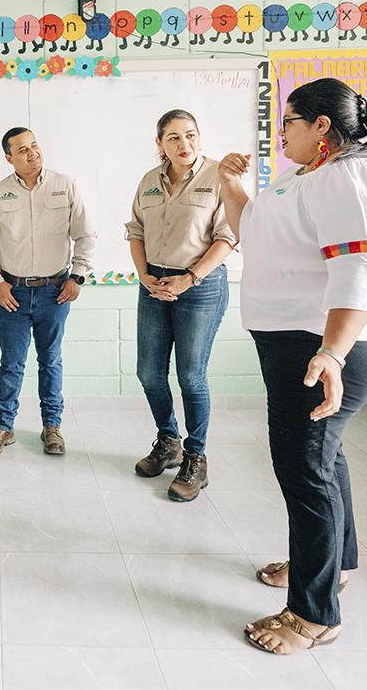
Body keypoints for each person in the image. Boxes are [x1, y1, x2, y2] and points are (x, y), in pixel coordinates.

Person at [216, 78, 367, 656]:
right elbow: (256, 235)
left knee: (305, 468)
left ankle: (313, 614)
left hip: (324, 344)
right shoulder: (307, 175)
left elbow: (361, 272)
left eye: (289, 123)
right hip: (301, 341)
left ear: (322, 126)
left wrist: (332, 352)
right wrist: (230, 187)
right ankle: (331, 565)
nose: (281, 134)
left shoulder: (355, 178)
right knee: (322, 458)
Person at [127, 110, 236, 502]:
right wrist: (144, 276)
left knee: (190, 375)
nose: (184, 144)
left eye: (190, 135)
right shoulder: (148, 181)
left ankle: (196, 457)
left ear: (199, 137)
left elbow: (227, 238)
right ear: (160, 144)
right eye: (173, 138)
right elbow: (136, 232)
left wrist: (189, 278)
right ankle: (168, 441)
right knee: (148, 373)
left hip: (200, 286)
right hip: (154, 284)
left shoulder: (218, 177)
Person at [0, 127, 96, 456]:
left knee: (50, 360)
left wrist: (78, 276)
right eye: (22, 150)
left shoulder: (65, 185)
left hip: (55, 291)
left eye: (35, 145)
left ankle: (52, 427)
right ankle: (3, 427)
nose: (32, 153)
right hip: (10, 292)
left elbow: (85, 235)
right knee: (11, 363)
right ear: (9, 157)